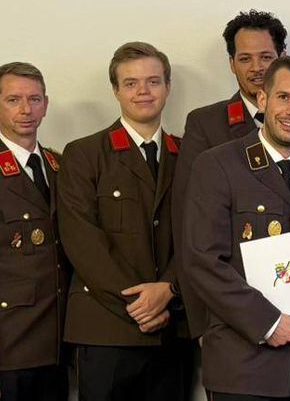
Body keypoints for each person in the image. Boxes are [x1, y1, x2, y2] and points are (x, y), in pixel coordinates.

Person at [183, 55, 290, 400]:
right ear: (262, 100)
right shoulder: (218, 165)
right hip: (242, 363)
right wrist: (267, 322)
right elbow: (202, 261)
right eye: (284, 97)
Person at [173, 9, 290, 338]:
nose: (257, 68)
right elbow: (188, 231)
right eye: (245, 58)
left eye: (266, 57)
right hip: (231, 321)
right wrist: (202, 326)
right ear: (231, 63)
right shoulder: (205, 124)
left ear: (282, 57)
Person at [58, 42, 190, 401]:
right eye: (131, 83)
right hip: (106, 329)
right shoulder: (84, 153)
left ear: (168, 86)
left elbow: (200, 234)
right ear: (115, 90)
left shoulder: (190, 155)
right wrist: (140, 305)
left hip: (171, 327)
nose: (143, 91)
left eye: (153, 81)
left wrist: (169, 291)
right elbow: (81, 241)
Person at [0, 61, 69, 401]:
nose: (26, 110)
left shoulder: (61, 166)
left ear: (46, 104)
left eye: (35, 99)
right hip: (9, 344)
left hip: (57, 342)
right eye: (13, 100)